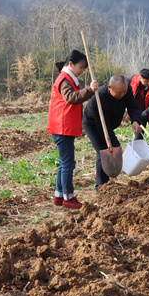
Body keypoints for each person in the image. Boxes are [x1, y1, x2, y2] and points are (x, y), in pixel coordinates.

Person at [46, 50, 99, 209]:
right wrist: (89, 90)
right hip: (62, 127)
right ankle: (68, 197)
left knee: (64, 163)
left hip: (63, 126)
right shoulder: (64, 80)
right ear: (71, 64)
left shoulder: (69, 78)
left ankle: (59, 196)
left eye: (84, 68)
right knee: (68, 164)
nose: (82, 70)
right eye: (80, 67)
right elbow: (71, 98)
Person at [82, 74, 143, 191]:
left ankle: (106, 184)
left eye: (125, 91)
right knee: (103, 151)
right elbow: (103, 126)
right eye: (120, 92)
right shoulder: (99, 98)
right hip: (94, 124)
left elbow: (133, 106)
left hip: (110, 122)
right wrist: (115, 145)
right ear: (110, 88)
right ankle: (101, 187)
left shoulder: (126, 90)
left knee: (110, 148)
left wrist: (135, 121)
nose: (123, 94)